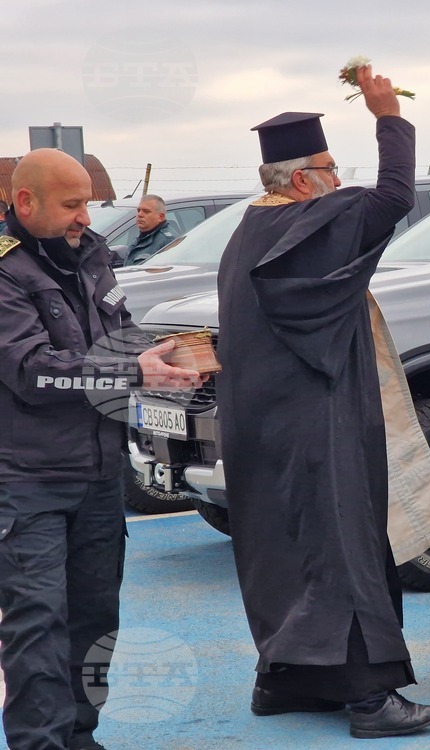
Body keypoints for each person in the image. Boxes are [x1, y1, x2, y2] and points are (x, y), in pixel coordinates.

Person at [215, 66, 430, 740]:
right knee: (339, 548)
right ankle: (371, 700)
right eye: (328, 167)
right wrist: (386, 114)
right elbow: (396, 194)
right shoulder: (316, 221)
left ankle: (281, 683)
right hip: (318, 421)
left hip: (258, 425)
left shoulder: (244, 234)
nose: (338, 179)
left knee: (280, 552)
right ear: (299, 181)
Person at [0, 149, 205, 750]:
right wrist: (128, 373)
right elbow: (32, 371)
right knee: (37, 626)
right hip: (26, 480)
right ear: (24, 202)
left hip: (98, 474)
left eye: (87, 202)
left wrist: (162, 359)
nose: (84, 216)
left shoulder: (93, 260)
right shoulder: (5, 274)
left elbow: (116, 339)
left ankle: (82, 738)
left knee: (95, 622)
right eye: (71, 204)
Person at [123, 194, 176, 265]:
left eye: (146, 211)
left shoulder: (168, 242)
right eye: (138, 210)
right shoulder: (140, 239)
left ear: (161, 217)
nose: (140, 215)